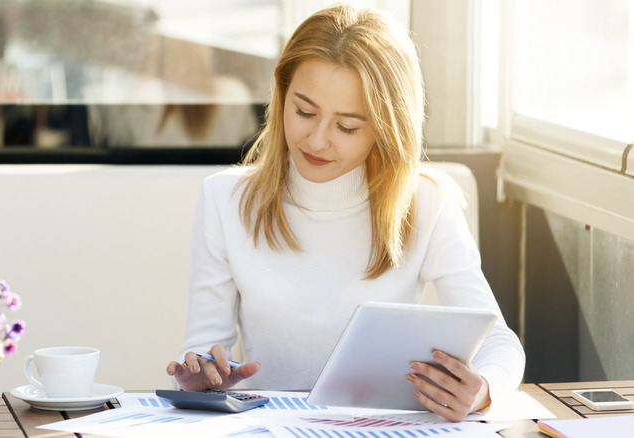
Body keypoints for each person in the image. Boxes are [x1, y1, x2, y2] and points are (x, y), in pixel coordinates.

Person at [165, 3, 525, 422]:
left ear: (387, 128)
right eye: (304, 111)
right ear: (282, 94)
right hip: (270, 428)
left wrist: (482, 389)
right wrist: (200, 377)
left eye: (347, 126)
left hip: (384, 428)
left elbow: (499, 343)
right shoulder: (224, 199)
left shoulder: (427, 202)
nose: (316, 140)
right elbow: (206, 349)